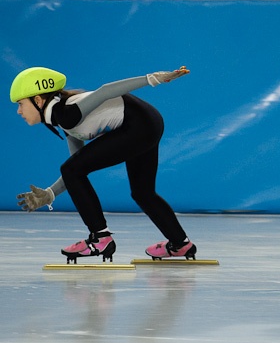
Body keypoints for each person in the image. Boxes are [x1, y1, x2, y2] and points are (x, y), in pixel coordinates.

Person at [11, 65, 196, 263]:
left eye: (21, 104)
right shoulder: (63, 118)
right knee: (142, 193)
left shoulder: (67, 112)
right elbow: (75, 168)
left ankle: (100, 239)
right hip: (147, 122)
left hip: (139, 125)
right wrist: (50, 194)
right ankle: (180, 244)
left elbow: (106, 90)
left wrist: (153, 78)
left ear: (38, 100)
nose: (19, 111)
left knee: (72, 169)